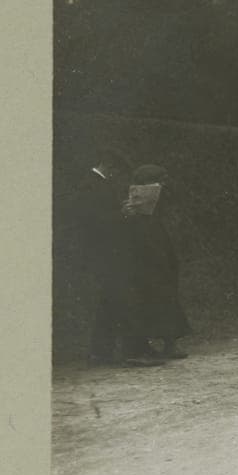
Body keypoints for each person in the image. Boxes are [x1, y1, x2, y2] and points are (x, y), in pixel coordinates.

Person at [76, 148, 162, 366]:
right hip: (106, 253)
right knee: (126, 298)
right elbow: (92, 221)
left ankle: (100, 352)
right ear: (108, 165)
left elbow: (103, 215)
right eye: (116, 170)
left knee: (110, 301)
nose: (117, 175)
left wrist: (120, 211)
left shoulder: (98, 183)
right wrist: (121, 214)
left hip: (109, 252)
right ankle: (133, 351)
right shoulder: (90, 184)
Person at [124, 164, 192, 359]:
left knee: (167, 294)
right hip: (143, 252)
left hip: (160, 247)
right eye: (158, 181)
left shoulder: (162, 197)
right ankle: (144, 346)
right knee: (148, 297)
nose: (162, 185)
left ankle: (171, 343)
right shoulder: (132, 200)